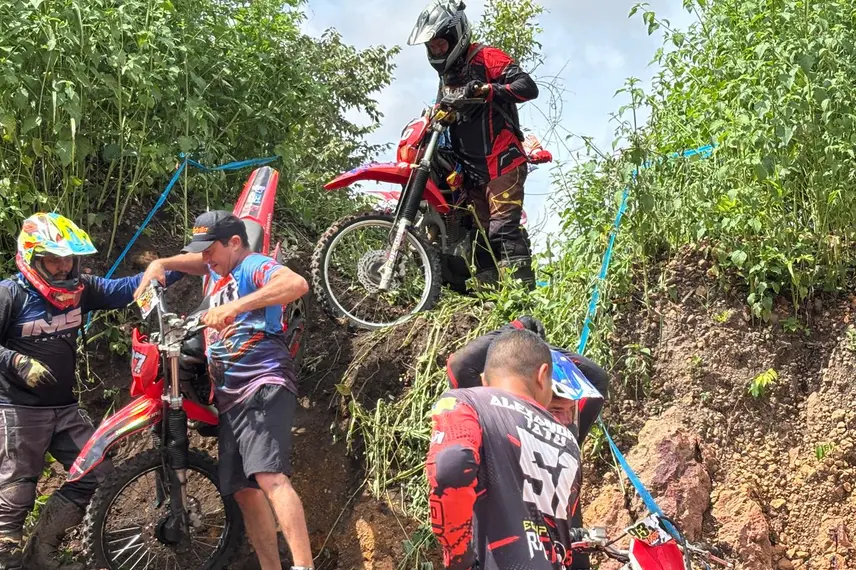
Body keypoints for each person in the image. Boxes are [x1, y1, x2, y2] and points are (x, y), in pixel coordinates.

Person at [0, 213, 184, 570]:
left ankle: (41, 553)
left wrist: (183, 267)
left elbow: (128, 288)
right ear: (33, 257)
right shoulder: (10, 295)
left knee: (98, 473)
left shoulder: (81, 289)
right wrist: (17, 362)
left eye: (69, 258)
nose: (63, 266)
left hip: (64, 407)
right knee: (16, 491)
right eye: (54, 258)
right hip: (18, 409)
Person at [134, 210, 313, 570]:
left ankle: (304, 566)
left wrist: (238, 306)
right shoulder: (220, 269)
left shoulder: (250, 265)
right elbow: (198, 264)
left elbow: (296, 284)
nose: (206, 258)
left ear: (234, 243)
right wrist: (161, 264)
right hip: (231, 396)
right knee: (244, 491)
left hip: (262, 380)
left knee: (270, 477)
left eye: (210, 249)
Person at [443, 316, 609, 570]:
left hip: (567, 556)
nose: (563, 418)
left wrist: (539, 351)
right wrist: (518, 331)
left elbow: (597, 379)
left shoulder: (567, 433)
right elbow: (460, 365)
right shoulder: (495, 421)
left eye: (570, 410)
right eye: (554, 409)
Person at [408, 0, 539, 288]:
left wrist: (489, 90)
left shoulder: (486, 57)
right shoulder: (448, 77)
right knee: (479, 237)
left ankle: (525, 299)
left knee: (502, 233)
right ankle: (490, 299)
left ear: (457, 35)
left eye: (441, 44)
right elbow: (447, 111)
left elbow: (528, 87)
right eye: (432, 47)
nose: (437, 51)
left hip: (502, 160)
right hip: (470, 169)